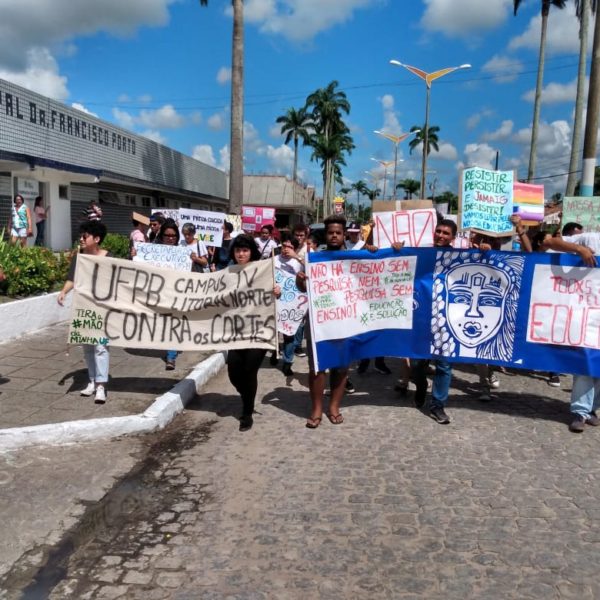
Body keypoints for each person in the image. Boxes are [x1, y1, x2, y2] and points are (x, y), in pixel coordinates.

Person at [296, 215, 352, 428]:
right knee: (317, 367)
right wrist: (300, 280)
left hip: (347, 320)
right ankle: (317, 408)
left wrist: (373, 250)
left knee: (341, 366)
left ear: (344, 235)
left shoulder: (355, 258)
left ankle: (334, 407)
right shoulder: (314, 259)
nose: (334, 236)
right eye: (330, 233)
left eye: (338, 232)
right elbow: (303, 287)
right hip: (319, 321)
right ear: (325, 235)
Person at [539, 233, 598, 433]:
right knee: (586, 364)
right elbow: (548, 242)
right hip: (588, 314)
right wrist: (579, 249)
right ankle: (581, 412)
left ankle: (592, 408)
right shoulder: (591, 238)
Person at [226, 233, 281, 431]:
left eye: (245, 250)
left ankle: (247, 412)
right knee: (234, 373)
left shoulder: (262, 271)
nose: (241, 254)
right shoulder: (227, 273)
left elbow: (275, 293)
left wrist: (277, 292)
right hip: (236, 332)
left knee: (250, 370)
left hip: (259, 331)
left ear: (251, 252)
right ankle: (246, 395)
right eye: (238, 250)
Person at [57, 221, 110, 403]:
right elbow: (72, 278)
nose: (81, 239)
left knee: (101, 347)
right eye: (81, 236)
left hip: (103, 310)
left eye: (85, 236)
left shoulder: (109, 258)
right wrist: (63, 292)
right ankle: (92, 381)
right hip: (85, 309)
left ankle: (101, 385)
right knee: (87, 347)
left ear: (96, 239)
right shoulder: (79, 258)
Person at [412, 219, 458, 424]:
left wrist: (485, 251)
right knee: (417, 364)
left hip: (446, 319)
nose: (441, 235)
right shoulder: (422, 254)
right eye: (438, 231)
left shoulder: (461, 257)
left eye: (446, 233)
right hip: (422, 317)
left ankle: (437, 405)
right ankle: (421, 385)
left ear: (453, 238)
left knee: (444, 365)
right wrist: (396, 249)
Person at [275, 236, 305, 376]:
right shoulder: (273, 260)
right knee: (273, 332)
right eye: (284, 246)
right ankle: (274, 353)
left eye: (290, 247)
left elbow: (311, 270)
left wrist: (296, 257)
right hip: (275, 300)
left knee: (289, 334)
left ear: (295, 249)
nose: (286, 249)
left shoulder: (299, 263)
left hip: (291, 304)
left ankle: (287, 362)